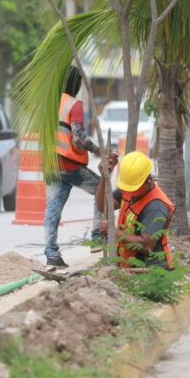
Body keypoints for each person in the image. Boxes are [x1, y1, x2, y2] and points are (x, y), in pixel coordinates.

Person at [44, 66, 111, 268]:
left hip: (51, 163)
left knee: (53, 208)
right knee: (103, 188)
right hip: (69, 163)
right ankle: (97, 236)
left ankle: (51, 253)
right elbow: (79, 139)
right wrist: (98, 149)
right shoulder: (74, 104)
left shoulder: (51, 102)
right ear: (76, 84)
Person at [97, 151, 175, 269]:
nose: (130, 192)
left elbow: (146, 246)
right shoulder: (129, 190)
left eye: (134, 188)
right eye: (127, 187)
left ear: (148, 179)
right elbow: (103, 206)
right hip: (130, 266)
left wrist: (113, 231)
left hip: (151, 270)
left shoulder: (156, 207)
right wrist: (104, 176)